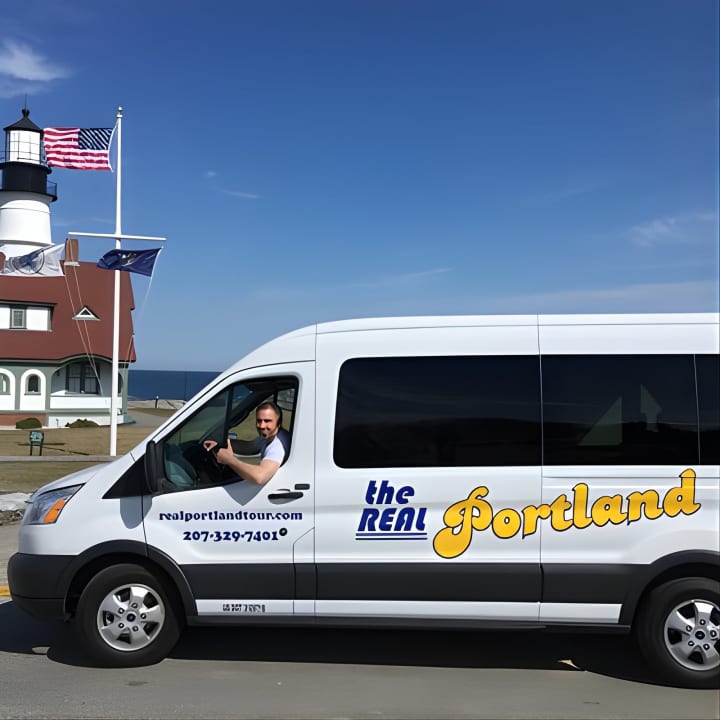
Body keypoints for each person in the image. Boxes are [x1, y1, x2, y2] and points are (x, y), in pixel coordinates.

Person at [202, 401, 290, 486]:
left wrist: (230, 460)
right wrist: (221, 442)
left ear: (278, 423)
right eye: (259, 421)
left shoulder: (277, 446)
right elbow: (249, 447)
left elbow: (259, 477)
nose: (262, 426)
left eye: (267, 421)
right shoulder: (269, 435)